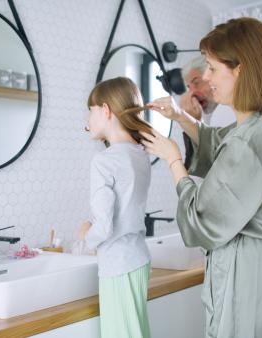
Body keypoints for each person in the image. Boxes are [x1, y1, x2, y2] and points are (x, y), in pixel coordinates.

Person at [141, 17, 262, 337]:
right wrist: (179, 115)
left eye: (213, 68)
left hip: (250, 280)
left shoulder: (249, 139)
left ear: (240, 69)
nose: (206, 77)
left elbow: (201, 220)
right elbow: (219, 144)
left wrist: (173, 158)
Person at [180, 56, 262, 251]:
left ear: (238, 71)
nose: (192, 93)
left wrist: (173, 160)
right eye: (188, 87)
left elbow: (222, 174)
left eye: (198, 82)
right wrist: (184, 118)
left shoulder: (230, 115)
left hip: (254, 237)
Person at [77, 77, 153, 338]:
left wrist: (86, 235)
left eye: (91, 110)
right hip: (139, 259)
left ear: (106, 110)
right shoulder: (141, 155)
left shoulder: (104, 161)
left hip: (118, 265)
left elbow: (105, 227)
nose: (87, 118)